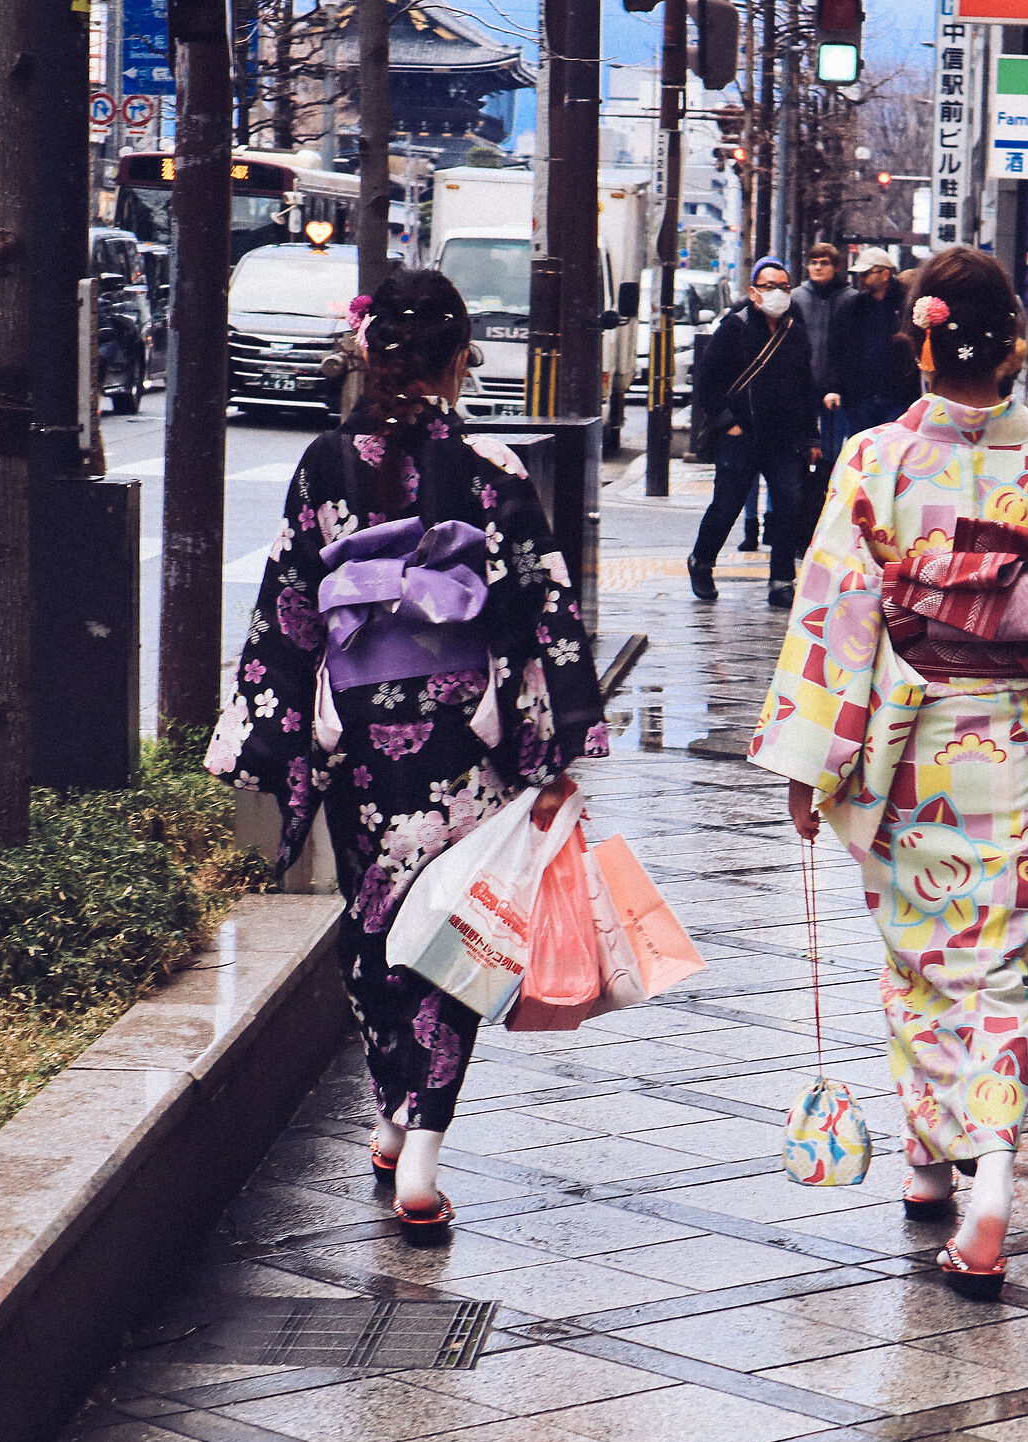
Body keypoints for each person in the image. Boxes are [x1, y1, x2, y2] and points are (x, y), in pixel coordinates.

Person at [748, 246, 1028, 1300]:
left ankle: (952, 1168)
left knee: (920, 961)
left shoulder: (875, 463)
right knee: (1001, 965)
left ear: (924, 342)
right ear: (1018, 349)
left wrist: (811, 761)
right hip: (1024, 749)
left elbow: (837, 622)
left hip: (907, 751)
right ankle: (962, 1168)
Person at [205, 266, 609, 1244]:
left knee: (380, 927)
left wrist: (276, 728)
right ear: (462, 358)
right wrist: (553, 738)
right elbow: (539, 606)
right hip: (464, 744)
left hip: (362, 741)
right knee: (457, 935)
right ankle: (419, 1138)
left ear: (366, 352)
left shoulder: (326, 465)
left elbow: (291, 605)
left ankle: (400, 1113)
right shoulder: (494, 470)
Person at [689, 256, 820, 608]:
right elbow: (707, 382)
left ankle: (781, 579)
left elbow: (805, 386)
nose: (777, 292)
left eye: (783, 286)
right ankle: (701, 561)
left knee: (790, 505)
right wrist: (726, 423)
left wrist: (811, 437)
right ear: (753, 291)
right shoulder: (736, 327)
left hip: (784, 438)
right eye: (769, 286)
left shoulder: (795, 331)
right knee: (727, 506)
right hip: (742, 435)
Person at [832, 246, 922, 436]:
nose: (861, 279)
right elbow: (838, 349)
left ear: (885, 274)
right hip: (861, 398)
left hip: (899, 397)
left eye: (866, 273)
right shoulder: (853, 306)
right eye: (860, 274)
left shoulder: (908, 305)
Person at [795, 242, 855, 484]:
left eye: (824, 263)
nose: (818, 267)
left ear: (836, 267)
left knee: (832, 452)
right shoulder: (797, 297)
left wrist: (840, 385)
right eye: (814, 262)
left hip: (837, 389)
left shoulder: (850, 299)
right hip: (803, 387)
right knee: (801, 451)